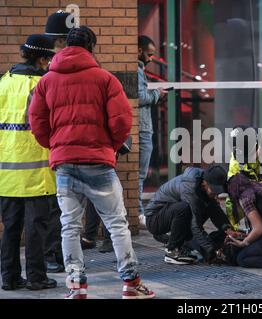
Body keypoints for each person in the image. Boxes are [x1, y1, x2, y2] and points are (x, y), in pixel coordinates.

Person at [29, 26, 155, 299]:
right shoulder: (105, 79)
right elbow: (122, 122)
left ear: (65, 47)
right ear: (92, 48)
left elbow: (37, 123)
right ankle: (131, 284)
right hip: (98, 164)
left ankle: (76, 286)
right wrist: (108, 147)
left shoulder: (47, 81)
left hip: (65, 164)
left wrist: (56, 146)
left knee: (69, 226)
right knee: (116, 224)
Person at [0, 34, 57, 291]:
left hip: (6, 169)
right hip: (37, 168)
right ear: (43, 59)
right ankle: (36, 277)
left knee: (11, 226)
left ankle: (9, 278)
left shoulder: (4, 82)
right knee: (36, 227)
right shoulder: (44, 84)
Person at [144, 165, 232, 264]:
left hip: (170, 218)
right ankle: (172, 251)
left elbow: (216, 211)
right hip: (155, 220)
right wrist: (212, 250)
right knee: (184, 208)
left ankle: (182, 243)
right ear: (205, 183)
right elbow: (195, 227)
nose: (217, 194)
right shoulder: (189, 188)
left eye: (219, 191)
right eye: (214, 190)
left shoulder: (204, 183)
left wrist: (228, 229)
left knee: (208, 204)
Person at [42, 9, 74, 275]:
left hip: (50, 152)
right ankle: (53, 256)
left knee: (54, 211)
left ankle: (53, 256)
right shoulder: (51, 72)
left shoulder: (48, 73)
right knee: (56, 211)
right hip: (55, 153)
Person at [138, 35, 168, 223]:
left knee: (140, 174)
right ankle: (139, 211)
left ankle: (138, 209)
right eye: (149, 54)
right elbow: (140, 98)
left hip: (142, 127)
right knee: (140, 174)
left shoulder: (138, 69)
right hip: (142, 129)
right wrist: (157, 94)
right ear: (138, 50)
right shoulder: (137, 69)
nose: (150, 59)